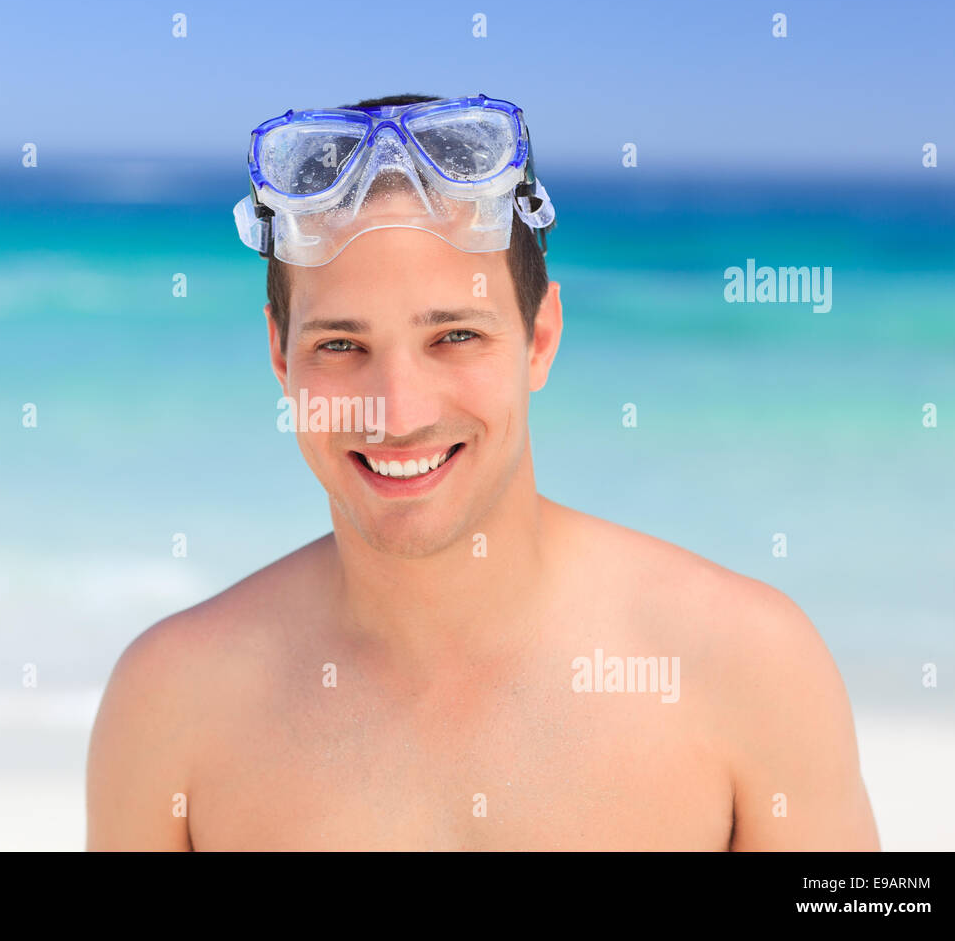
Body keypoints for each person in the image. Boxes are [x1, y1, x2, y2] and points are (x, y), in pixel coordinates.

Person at [87, 93, 880, 850]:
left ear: (540, 339)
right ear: (278, 356)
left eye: (455, 336)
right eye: (340, 345)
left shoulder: (748, 666)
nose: (396, 413)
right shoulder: (169, 707)